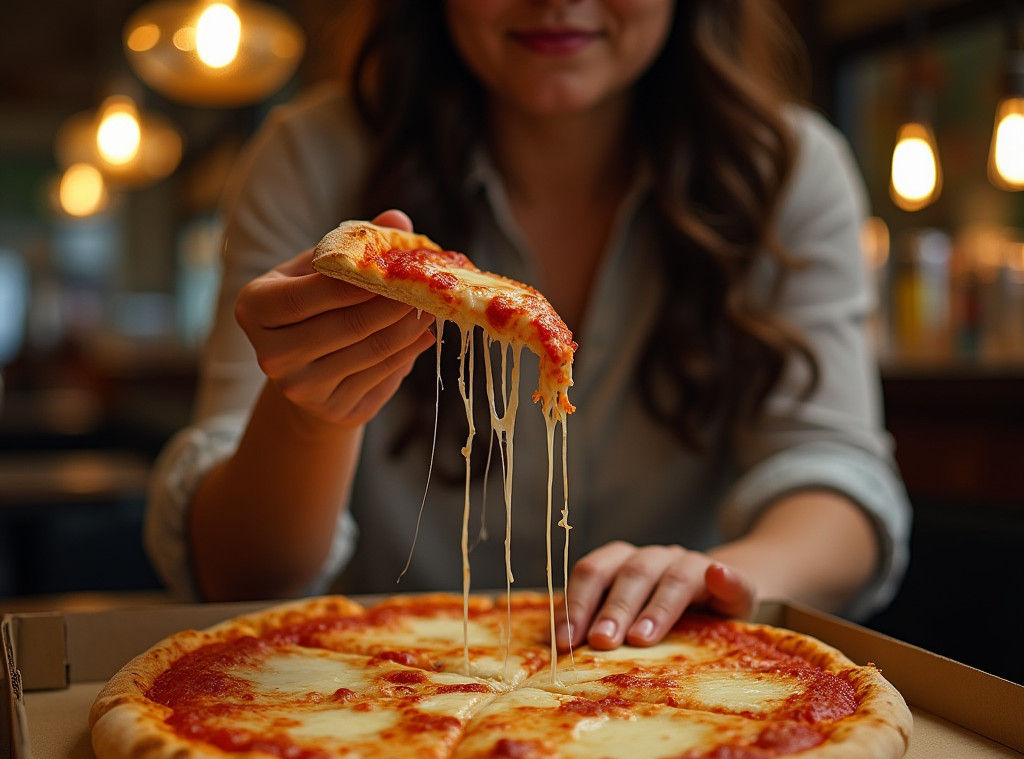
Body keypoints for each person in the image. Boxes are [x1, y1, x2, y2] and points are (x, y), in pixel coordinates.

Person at [146, 0, 909, 653]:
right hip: (371, 693)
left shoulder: (787, 168)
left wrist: (712, 577)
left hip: (662, 680)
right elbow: (235, 578)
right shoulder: (310, 157)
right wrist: (309, 413)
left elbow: (835, 484)